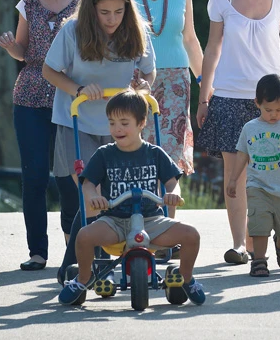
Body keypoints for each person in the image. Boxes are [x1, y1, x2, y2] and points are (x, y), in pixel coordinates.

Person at [42, 0, 155, 283]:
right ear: (91, 9)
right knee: (91, 192)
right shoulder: (72, 30)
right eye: (104, 12)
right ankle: (85, 265)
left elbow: (149, 72)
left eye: (118, 11)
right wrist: (78, 89)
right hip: (77, 120)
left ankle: (82, 266)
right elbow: (49, 70)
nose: (112, 19)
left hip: (116, 123)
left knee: (106, 196)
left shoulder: (136, 30)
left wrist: (143, 86)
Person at [195, 0, 280, 265]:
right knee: (235, 174)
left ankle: (273, 237)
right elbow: (212, 49)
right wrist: (204, 97)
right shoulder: (220, 0)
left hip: (271, 99)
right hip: (228, 96)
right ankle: (240, 244)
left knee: (270, 172)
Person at [57, 89, 205, 307]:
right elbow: (87, 183)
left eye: (124, 123)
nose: (117, 129)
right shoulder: (104, 154)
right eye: (112, 123)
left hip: (151, 220)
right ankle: (83, 278)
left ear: (141, 123)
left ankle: (187, 277)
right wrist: (93, 197)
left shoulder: (155, 153)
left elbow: (172, 182)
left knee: (191, 235)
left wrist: (173, 194)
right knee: (84, 236)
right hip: (114, 221)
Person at [0, 0, 88, 271]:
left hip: (70, 100)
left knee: (68, 178)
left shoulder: (86, 3)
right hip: (29, 98)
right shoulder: (29, 3)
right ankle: (37, 252)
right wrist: (13, 49)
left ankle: (73, 248)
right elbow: (24, 52)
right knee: (34, 177)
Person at [121, 0, 204, 190]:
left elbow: (190, 38)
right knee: (135, 156)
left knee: (168, 162)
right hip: (134, 81)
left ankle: (167, 217)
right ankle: (138, 213)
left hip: (176, 83)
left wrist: (205, 85)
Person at [226, 74, 280, 277]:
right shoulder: (250, 128)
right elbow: (242, 154)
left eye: (279, 110)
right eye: (268, 110)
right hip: (257, 186)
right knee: (258, 224)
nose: (274, 115)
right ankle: (259, 261)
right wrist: (233, 179)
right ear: (257, 103)